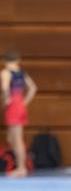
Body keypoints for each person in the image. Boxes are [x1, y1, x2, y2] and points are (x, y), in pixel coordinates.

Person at [1, 50, 37, 178]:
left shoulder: (5, 73)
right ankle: (20, 165)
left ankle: (21, 168)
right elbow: (33, 88)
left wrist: (6, 99)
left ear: (4, 61)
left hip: (13, 105)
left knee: (16, 139)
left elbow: (5, 88)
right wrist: (25, 102)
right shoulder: (22, 73)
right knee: (11, 138)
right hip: (20, 103)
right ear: (18, 60)